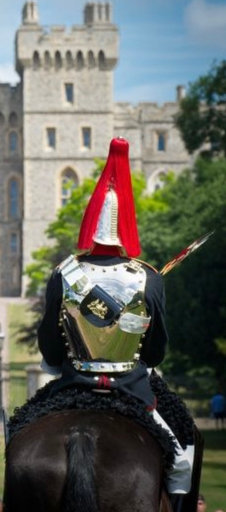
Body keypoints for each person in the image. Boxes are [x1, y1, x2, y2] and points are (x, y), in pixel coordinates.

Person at [36, 138, 195, 502]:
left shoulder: (65, 273)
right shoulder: (148, 278)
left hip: (73, 383)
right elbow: (155, 353)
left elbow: (48, 341)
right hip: (133, 388)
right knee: (182, 456)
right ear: (127, 228)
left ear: (89, 225)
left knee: (18, 432)